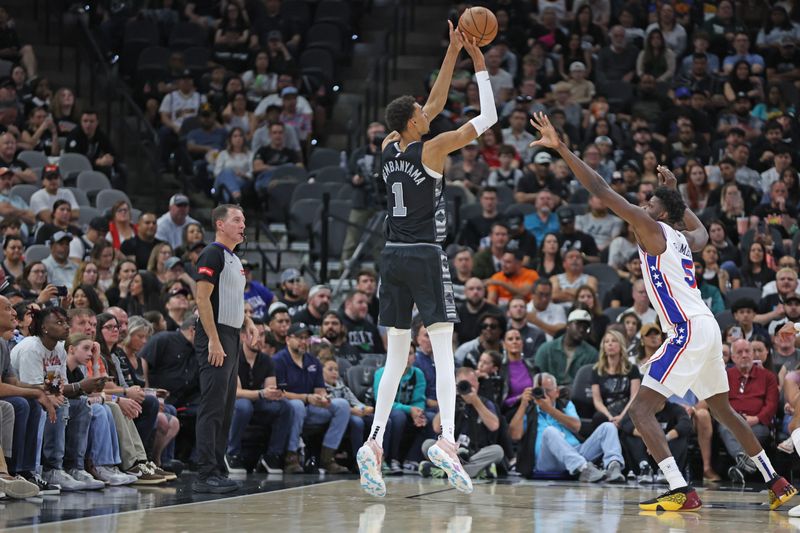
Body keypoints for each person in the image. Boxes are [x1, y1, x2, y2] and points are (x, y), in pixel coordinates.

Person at [527, 111, 796, 510]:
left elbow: (600, 188)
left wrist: (561, 147)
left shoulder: (650, 227)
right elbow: (703, 233)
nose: (642, 204)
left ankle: (680, 490)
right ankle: (778, 484)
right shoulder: (684, 236)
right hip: (705, 327)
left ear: (660, 212)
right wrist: (678, 197)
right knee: (723, 408)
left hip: (686, 328)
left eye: (650, 201)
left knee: (640, 410)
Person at [356, 26, 495, 498]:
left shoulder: (388, 147)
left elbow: (430, 106)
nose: (427, 113)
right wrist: (477, 61)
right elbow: (489, 116)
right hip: (425, 256)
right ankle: (448, 443)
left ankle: (373, 444)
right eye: (421, 114)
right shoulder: (435, 149)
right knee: (443, 356)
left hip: (390, 258)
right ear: (413, 124)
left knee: (395, 359)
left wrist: (451, 50)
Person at [192, 204, 247, 494]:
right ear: (219, 224)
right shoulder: (212, 253)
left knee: (226, 407)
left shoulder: (233, 259)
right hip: (216, 334)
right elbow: (202, 300)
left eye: (243, 220)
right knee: (212, 405)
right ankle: (205, 473)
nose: (242, 225)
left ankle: (218, 467)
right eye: (236, 220)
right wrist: (213, 339)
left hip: (232, 334)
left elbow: (231, 299)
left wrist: (247, 323)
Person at [510, 372, 626, 483]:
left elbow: (576, 426)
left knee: (608, 427)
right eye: (540, 391)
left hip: (576, 453)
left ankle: (613, 466)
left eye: (548, 391)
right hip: (548, 461)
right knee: (550, 431)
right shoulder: (528, 409)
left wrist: (550, 410)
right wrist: (523, 405)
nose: (544, 395)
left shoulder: (565, 405)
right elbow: (514, 436)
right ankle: (583, 468)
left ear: (557, 392)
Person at [273, 322, 350, 474]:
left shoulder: (313, 361)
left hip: (311, 409)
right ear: (288, 339)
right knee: (297, 405)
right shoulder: (279, 360)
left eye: (306, 338)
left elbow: (320, 390)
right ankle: (291, 456)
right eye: (300, 338)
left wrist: (323, 398)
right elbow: (278, 393)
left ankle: (327, 458)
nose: (304, 342)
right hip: (287, 409)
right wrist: (306, 398)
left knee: (342, 405)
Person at [224, 322, 291, 474]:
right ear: (242, 336)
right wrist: (262, 393)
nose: (260, 339)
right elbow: (236, 392)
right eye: (255, 334)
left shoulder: (267, 360)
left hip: (257, 402)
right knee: (243, 405)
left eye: (262, 335)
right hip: (234, 403)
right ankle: (231, 452)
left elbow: (270, 389)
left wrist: (275, 393)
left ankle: (272, 455)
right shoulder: (233, 357)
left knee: (284, 406)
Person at [419, 367, 503, 479]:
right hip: (450, 452)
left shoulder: (485, 402)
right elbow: (436, 428)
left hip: (474, 453)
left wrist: (476, 402)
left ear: (478, 384)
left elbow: (494, 426)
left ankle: (446, 472)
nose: (469, 389)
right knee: (427, 445)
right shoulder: (451, 402)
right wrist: (450, 398)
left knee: (497, 451)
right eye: (465, 385)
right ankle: (472, 472)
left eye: (473, 385)